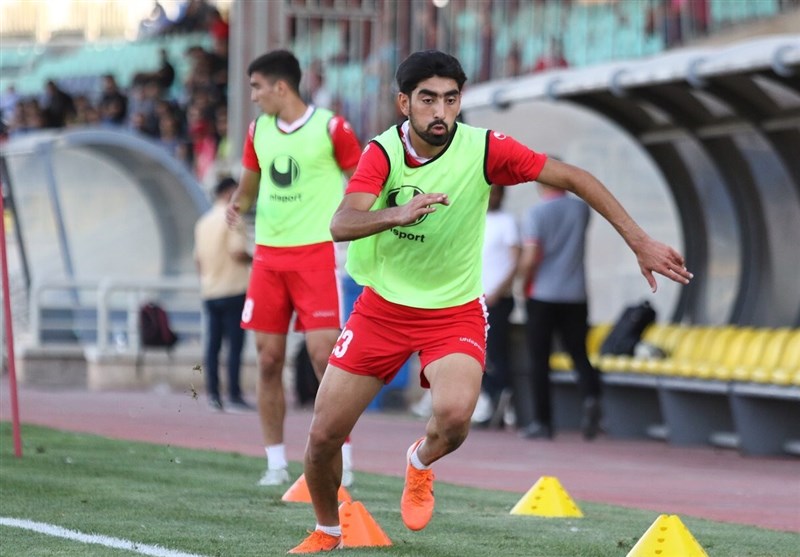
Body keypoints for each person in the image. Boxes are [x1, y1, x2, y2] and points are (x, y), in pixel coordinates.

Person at [289, 49, 692, 554]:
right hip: (382, 309)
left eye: (450, 99)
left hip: (453, 310)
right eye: (428, 100)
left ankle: (419, 462)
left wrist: (640, 241)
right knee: (323, 437)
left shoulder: (484, 149)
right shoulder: (383, 153)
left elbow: (574, 178)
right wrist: (397, 213)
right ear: (404, 103)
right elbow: (341, 223)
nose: (440, 111)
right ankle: (327, 531)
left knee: (456, 418)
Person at [225, 50, 362, 488]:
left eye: (256, 87)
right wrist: (237, 204)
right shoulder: (257, 131)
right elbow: (249, 186)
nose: (253, 96)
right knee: (268, 360)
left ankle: (343, 457)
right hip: (268, 257)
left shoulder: (332, 127)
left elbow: (364, 181)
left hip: (317, 255)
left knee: (325, 357)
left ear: (280, 87)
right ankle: (275, 464)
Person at [518, 180, 600, 441]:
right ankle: (591, 396)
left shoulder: (536, 213)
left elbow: (531, 256)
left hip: (542, 293)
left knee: (539, 359)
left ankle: (543, 422)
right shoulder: (581, 210)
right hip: (576, 294)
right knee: (578, 352)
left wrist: (522, 282)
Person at [194, 177, 253, 412]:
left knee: (213, 346)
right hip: (233, 287)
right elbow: (237, 251)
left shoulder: (203, 222)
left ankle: (213, 395)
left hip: (210, 289)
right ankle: (234, 395)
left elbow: (198, 260)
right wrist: (256, 258)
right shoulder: (233, 218)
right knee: (235, 346)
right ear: (229, 192)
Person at [472, 185, 520, 427]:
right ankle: (485, 403)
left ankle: (502, 404)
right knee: (478, 354)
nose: (492, 198)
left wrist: (498, 291)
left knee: (496, 353)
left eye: (496, 193)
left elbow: (515, 261)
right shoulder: (474, 220)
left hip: (496, 300)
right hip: (474, 299)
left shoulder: (507, 222)